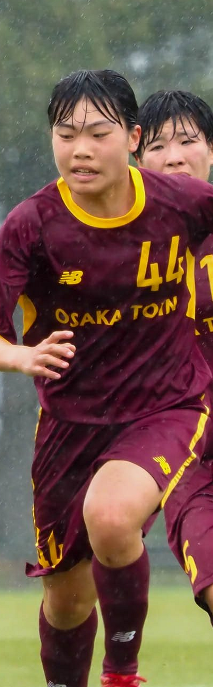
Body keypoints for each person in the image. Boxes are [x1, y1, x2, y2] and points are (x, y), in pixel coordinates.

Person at [0, 69, 213, 687]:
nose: (80, 148)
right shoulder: (33, 226)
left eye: (98, 133)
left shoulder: (181, 204)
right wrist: (22, 355)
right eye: (65, 134)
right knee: (67, 607)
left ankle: (124, 678)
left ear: (132, 140)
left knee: (114, 519)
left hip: (168, 406)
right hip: (69, 430)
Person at [136, 92, 213, 628]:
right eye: (159, 146)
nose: (175, 157)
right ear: (138, 158)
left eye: (188, 142)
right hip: (186, 450)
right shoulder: (119, 245)